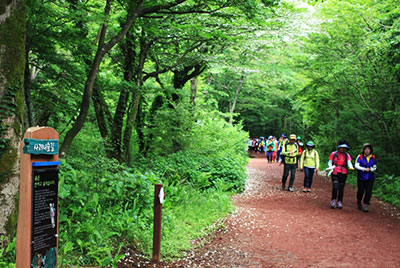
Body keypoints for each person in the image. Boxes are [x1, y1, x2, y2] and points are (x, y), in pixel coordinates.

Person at [328, 140, 354, 209]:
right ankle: (333, 200)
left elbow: (349, 162)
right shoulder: (333, 154)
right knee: (335, 187)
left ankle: (340, 201)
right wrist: (330, 167)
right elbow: (330, 162)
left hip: (343, 172)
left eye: (344, 148)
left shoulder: (347, 155)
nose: (343, 149)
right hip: (335, 172)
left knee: (341, 188)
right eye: (342, 148)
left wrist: (350, 166)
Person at [355, 143, 377, 212]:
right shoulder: (360, 157)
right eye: (366, 149)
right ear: (363, 150)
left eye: (368, 149)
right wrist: (364, 169)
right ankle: (359, 200)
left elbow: (375, 166)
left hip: (370, 177)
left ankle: (366, 205)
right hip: (361, 177)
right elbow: (356, 165)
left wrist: (370, 169)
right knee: (360, 191)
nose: (367, 151)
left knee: (368, 192)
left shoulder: (373, 157)